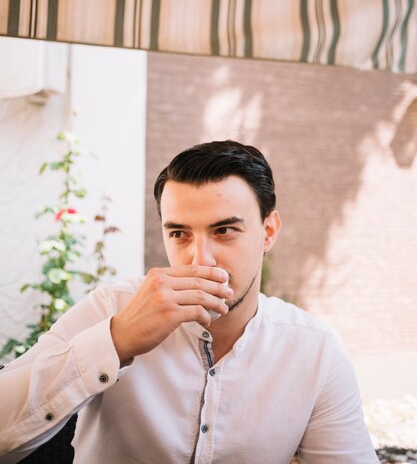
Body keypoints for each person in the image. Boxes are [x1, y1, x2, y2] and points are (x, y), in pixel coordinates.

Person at [0, 140, 378, 464]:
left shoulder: (315, 351)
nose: (201, 260)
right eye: (179, 233)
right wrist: (115, 341)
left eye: (224, 231)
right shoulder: (110, 308)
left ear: (268, 232)